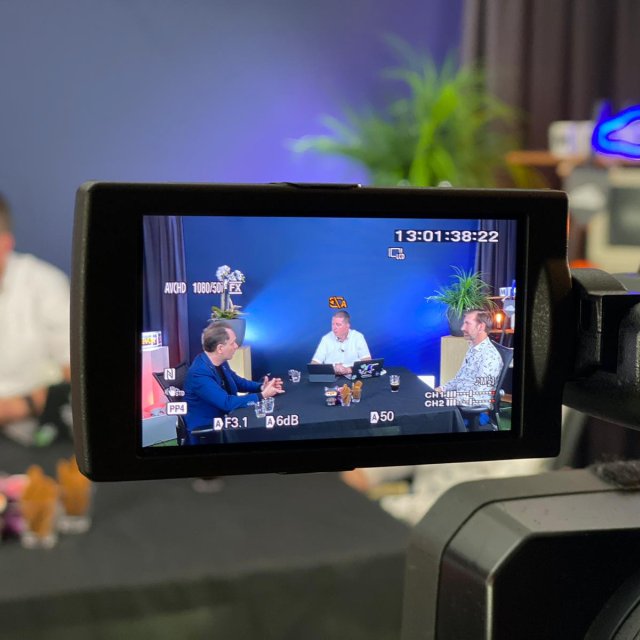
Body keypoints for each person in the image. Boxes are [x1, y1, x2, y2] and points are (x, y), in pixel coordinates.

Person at [0, 192, 72, 445]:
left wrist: (19, 406)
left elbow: (79, 375)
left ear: (5, 244)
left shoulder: (44, 286)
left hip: (32, 434)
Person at [183, 321, 284, 444]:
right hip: (209, 427)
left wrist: (261, 387)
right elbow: (226, 403)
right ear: (220, 348)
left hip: (227, 416)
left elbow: (238, 382)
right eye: (232, 343)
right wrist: (262, 395)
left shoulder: (220, 361)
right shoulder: (199, 373)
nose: (236, 346)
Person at [435, 308, 503, 407]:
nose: (462, 328)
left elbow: (479, 397)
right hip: (458, 401)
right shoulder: (473, 348)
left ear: (481, 327)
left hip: (468, 408)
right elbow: (459, 379)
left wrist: (444, 398)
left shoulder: (490, 358)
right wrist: (440, 389)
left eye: (467, 323)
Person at [311, 311, 371, 375]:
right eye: (333, 324)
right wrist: (333, 369)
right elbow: (314, 364)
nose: (334, 328)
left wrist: (348, 370)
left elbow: (367, 361)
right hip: (332, 376)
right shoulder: (326, 339)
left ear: (347, 326)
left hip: (353, 375)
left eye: (338, 324)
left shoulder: (358, 337)